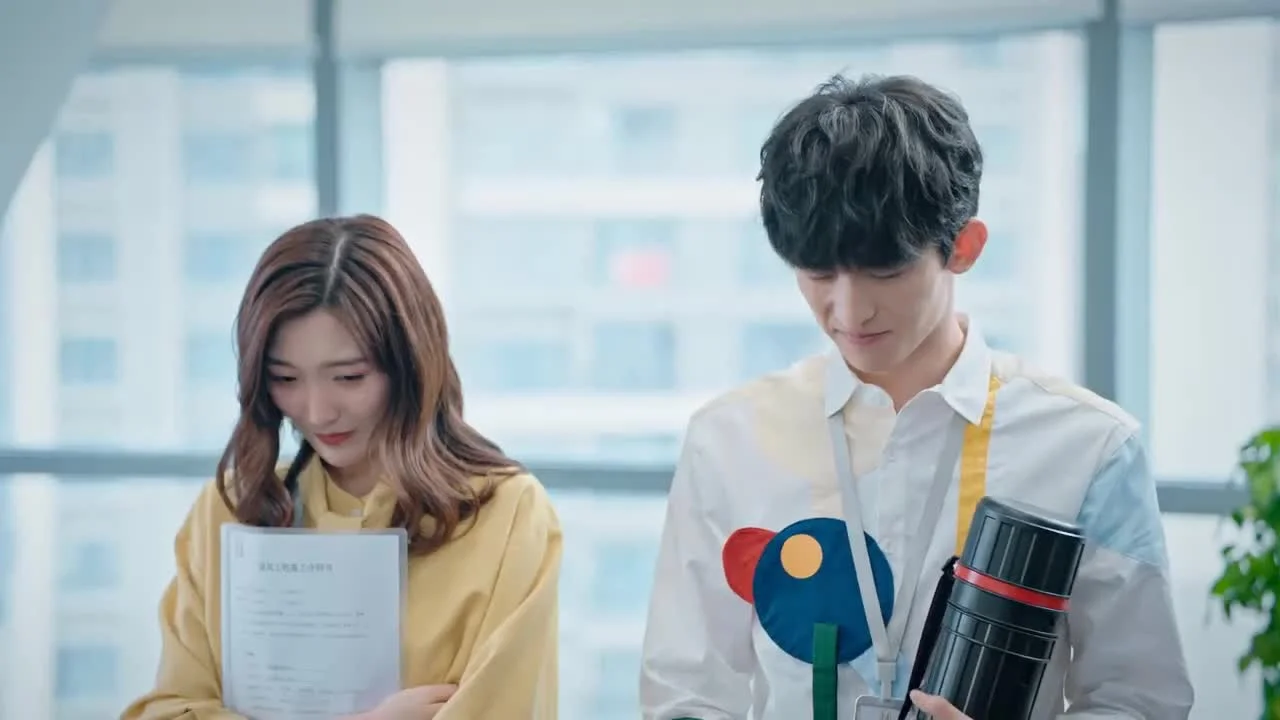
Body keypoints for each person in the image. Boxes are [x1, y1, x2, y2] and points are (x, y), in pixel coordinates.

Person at [638, 74, 1194, 719]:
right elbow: (686, 693)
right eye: (818, 272)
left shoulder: (1088, 446)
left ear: (964, 247)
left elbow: (1140, 699)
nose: (850, 310)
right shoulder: (728, 438)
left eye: (886, 271)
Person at [121, 215, 561, 720]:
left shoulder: (506, 515)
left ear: (411, 366)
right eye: (285, 378)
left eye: (349, 377)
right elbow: (169, 711)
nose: (317, 411)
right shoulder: (229, 510)